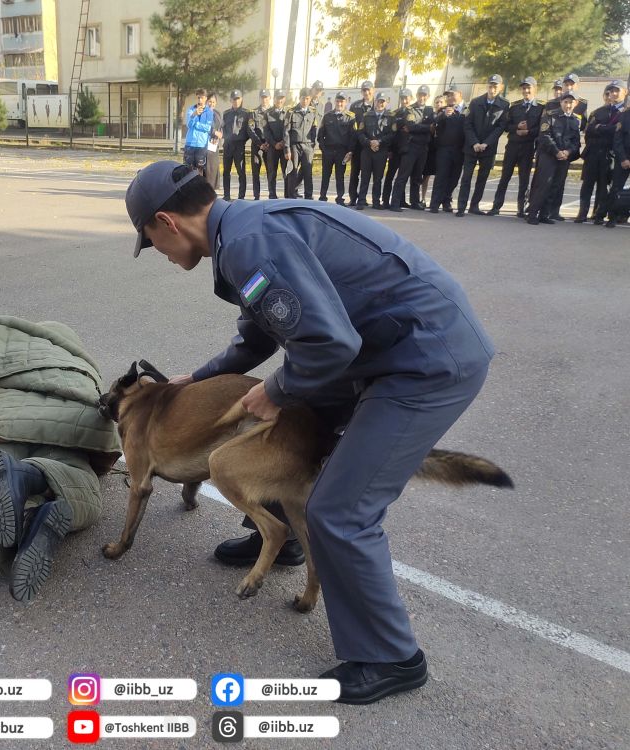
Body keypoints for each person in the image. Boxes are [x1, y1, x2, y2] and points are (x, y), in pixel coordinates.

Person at [123, 159, 495, 705]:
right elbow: (257, 337)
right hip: (386, 350)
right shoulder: (239, 235)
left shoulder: (249, 243)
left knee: (341, 508)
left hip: (425, 361)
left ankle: (392, 657)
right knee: (294, 431)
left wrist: (275, 390)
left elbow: (330, 343)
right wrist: (196, 379)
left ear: (166, 221)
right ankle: (284, 539)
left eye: (149, 240)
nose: (154, 250)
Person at [0, 315, 121, 602]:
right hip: (68, 421)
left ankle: (18, 527)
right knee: (83, 486)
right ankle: (32, 480)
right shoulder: (76, 356)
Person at [488, 77, 544, 218]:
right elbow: (506, 125)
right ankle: (496, 206)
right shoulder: (514, 107)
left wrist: (528, 132)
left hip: (527, 147)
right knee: (505, 177)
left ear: (535, 89)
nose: (526, 91)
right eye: (524, 88)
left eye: (528, 88)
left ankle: (521, 208)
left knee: (524, 179)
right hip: (512, 145)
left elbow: (542, 128)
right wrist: (516, 128)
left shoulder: (541, 108)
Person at [456, 74, 509, 216]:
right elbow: (468, 124)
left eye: (495, 86)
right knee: (466, 178)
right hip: (471, 147)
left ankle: (474, 206)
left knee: (482, 179)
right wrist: (474, 142)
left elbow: (500, 127)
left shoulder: (504, 105)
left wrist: (486, 143)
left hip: (488, 148)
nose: (492, 89)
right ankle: (461, 207)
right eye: (490, 86)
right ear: (487, 86)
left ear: (501, 87)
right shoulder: (475, 102)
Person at [526, 91, 582, 225]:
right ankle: (532, 214)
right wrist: (556, 152)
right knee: (543, 185)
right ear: (561, 102)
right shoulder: (550, 115)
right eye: (566, 102)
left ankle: (544, 214)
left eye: (571, 102)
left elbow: (576, 141)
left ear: (576, 104)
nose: (568, 105)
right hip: (548, 156)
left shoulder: (576, 120)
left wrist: (568, 152)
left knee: (555, 186)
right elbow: (544, 136)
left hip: (564, 158)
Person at [543, 74, 590, 221]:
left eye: (572, 84)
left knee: (560, 182)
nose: (569, 87)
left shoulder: (582, 104)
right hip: (551, 150)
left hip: (567, 149)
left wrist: (568, 151)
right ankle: (541, 210)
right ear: (562, 86)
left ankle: (555, 211)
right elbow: (544, 129)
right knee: (546, 182)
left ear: (577, 86)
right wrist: (556, 150)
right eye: (566, 84)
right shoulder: (551, 104)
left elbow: (582, 125)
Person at [575, 82, 623, 223]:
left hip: (608, 154)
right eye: (608, 93)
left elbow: (617, 132)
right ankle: (582, 213)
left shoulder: (623, 113)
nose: (610, 95)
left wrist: (599, 128)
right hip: (593, 153)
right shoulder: (597, 112)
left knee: (603, 186)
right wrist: (606, 128)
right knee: (587, 185)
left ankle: (599, 214)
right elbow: (589, 131)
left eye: (614, 92)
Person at [390, 90, 435, 211]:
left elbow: (433, 126)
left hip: (423, 147)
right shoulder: (410, 109)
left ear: (428, 96)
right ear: (417, 96)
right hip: (411, 147)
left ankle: (415, 202)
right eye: (420, 95)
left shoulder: (430, 110)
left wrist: (420, 128)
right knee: (403, 176)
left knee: (417, 177)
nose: (422, 97)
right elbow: (410, 126)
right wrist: (427, 127)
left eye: (424, 95)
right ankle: (395, 203)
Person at [355, 90, 395, 209]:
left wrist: (379, 142)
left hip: (381, 151)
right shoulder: (366, 116)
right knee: (365, 177)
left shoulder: (390, 117)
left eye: (383, 102)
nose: (380, 104)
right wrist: (369, 142)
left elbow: (392, 134)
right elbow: (360, 133)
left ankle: (376, 202)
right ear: (375, 102)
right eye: (378, 101)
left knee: (378, 178)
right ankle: (361, 201)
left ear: (386, 103)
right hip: (367, 151)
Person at [317, 91, 356, 204]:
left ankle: (340, 199)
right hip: (328, 151)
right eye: (338, 101)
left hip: (342, 152)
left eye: (342, 101)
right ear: (335, 101)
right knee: (325, 175)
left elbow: (353, 136)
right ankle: (322, 197)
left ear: (346, 102)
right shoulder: (327, 116)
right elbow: (320, 135)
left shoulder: (350, 117)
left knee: (340, 176)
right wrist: (324, 149)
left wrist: (350, 151)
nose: (339, 104)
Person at [429, 98, 466, 213]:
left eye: (454, 96)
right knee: (441, 177)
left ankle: (446, 201)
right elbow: (435, 121)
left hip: (459, 150)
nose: (452, 98)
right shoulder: (443, 111)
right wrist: (444, 115)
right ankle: (434, 203)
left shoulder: (466, 110)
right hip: (444, 149)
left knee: (454, 178)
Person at [601, 82, 630, 228]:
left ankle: (625, 215)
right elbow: (617, 140)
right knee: (616, 188)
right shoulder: (624, 115)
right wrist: (623, 158)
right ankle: (612, 217)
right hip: (623, 159)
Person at [284, 87, 318, 199]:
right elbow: (286, 131)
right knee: (293, 171)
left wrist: (312, 145)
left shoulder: (313, 112)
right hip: (295, 145)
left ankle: (308, 196)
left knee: (308, 171)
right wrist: (287, 149)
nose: (305, 101)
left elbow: (314, 129)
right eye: (303, 98)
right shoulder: (291, 112)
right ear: (299, 98)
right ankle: (291, 196)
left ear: (310, 99)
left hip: (308, 145)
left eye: (307, 98)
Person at [382, 88, 414, 209]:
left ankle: (401, 200)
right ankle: (386, 200)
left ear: (411, 98)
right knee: (390, 176)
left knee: (402, 177)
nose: (404, 100)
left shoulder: (413, 113)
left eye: (406, 98)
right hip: (395, 150)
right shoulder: (394, 114)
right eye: (402, 98)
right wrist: (389, 150)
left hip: (407, 149)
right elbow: (391, 132)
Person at [348, 81, 376, 205]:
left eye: (368, 90)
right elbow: (351, 127)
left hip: (371, 146)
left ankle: (363, 198)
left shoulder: (378, 104)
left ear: (373, 90)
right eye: (364, 90)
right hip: (357, 145)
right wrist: (350, 148)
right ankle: (353, 198)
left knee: (367, 175)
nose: (366, 92)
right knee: (354, 173)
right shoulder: (355, 106)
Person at [221, 90, 251, 200]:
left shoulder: (246, 113)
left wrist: (242, 140)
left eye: (238, 99)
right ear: (230, 100)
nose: (236, 101)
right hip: (228, 145)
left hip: (239, 146)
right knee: (226, 172)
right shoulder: (226, 113)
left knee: (241, 172)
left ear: (241, 99)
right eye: (234, 99)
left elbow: (249, 131)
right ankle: (226, 195)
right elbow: (223, 128)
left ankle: (241, 196)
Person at [420, 93, 446, 209]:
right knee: (426, 176)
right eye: (437, 102)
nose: (439, 104)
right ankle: (423, 198)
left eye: (441, 102)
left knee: (440, 177)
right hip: (430, 149)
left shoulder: (448, 116)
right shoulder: (430, 116)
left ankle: (437, 200)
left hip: (442, 149)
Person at [263, 90, 289, 199]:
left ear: (284, 99)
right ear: (274, 99)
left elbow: (289, 129)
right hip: (273, 148)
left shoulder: (288, 113)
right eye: (278, 98)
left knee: (286, 172)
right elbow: (266, 131)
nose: (280, 100)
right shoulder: (267, 113)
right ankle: (272, 195)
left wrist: (283, 142)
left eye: (282, 98)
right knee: (272, 173)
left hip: (285, 147)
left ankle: (287, 195)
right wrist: (274, 144)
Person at [184, 88, 215, 175]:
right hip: (190, 144)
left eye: (202, 98)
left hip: (202, 145)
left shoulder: (209, 112)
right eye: (198, 98)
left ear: (206, 98)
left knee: (199, 171)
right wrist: (194, 115)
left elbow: (207, 128)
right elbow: (189, 125)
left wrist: (196, 124)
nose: (200, 100)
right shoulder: (191, 110)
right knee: (187, 170)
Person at [249, 89, 272, 200]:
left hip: (270, 145)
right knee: (255, 171)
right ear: (260, 98)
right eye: (262, 97)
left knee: (270, 171)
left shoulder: (273, 112)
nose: (264, 100)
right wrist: (260, 144)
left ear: (270, 98)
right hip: (257, 146)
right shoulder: (253, 113)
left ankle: (271, 194)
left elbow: (276, 129)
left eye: (266, 97)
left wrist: (269, 142)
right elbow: (250, 129)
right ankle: (256, 196)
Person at [205, 93, 225, 191]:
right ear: (206, 102)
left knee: (214, 167)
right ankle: (206, 190)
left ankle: (212, 190)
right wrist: (214, 132)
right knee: (207, 168)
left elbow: (221, 126)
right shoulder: (203, 113)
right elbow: (204, 126)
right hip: (205, 144)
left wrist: (220, 134)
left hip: (215, 144)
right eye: (210, 101)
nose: (211, 104)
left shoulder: (217, 113)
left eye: (213, 102)